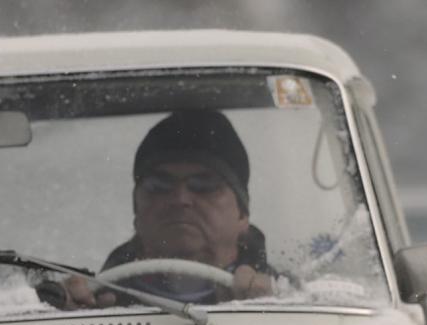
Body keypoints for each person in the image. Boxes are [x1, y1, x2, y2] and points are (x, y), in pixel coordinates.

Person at [57, 110, 278, 308]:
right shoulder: (92, 304)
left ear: (242, 214)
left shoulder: (288, 298)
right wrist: (62, 308)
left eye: (204, 186)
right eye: (159, 186)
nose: (180, 199)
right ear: (137, 212)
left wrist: (267, 311)